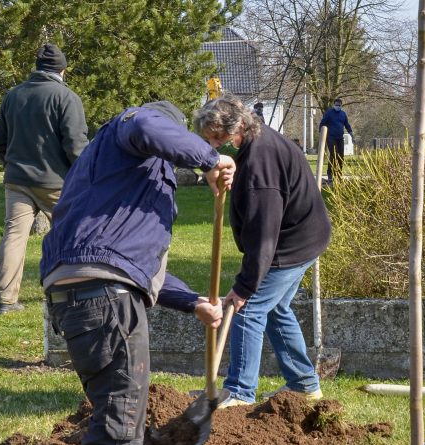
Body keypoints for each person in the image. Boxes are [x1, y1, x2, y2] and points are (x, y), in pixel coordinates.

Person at [39, 100, 235, 444]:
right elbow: (144, 124)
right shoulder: (133, 124)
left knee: (112, 416)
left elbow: (128, 263)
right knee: (121, 431)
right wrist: (211, 158)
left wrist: (192, 302)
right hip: (106, 302)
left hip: (77, 298)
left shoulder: (107, 180)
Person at [193, 95, 332, 409]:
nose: (213, 144)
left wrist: (244, 287)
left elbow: (264, 233)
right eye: (209, 138)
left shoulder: (260, 162)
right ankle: (304, 385)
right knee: (275, 310)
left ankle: (240, 391)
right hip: (304, 236)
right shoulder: (255, 142)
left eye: (218, 136)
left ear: (238, 126)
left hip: (290, 243)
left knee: (247, 309)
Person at [0, 43, 89, 315]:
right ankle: (73, 290)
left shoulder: (13, 95)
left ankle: (6, 300)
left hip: (17, 180)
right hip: (55, 182)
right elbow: (75, 146)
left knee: (14, 237)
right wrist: (84, 176)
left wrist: (13, 165)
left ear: (36, 68)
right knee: (72, 234)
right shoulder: (66, 97)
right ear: (63, 70)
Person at [318, 98, 353, 183]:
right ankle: (330, 174)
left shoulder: (343, 114)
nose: (338, 106)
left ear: (341, 105)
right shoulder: (329, 113)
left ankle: (338, 174)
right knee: (333, 155)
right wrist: (321, 133)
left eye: (339, 105)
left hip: (340, 138)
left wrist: (351, 133)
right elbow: (323, 123)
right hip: (330, 137)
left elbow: (347, 124)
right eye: (336, 105)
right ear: (334, 105)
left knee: (341, 156)